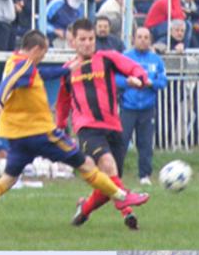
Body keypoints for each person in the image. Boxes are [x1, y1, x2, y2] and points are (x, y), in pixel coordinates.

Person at [0, 29, 148, 231]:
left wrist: (66, 70)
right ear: (36, 49)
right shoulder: (24, 65)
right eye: (43, 54)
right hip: (41, 132)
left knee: (7, 179)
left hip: (17, 137)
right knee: (85, 164)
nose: (42, 58)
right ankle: (123, 197)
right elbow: (9, 81)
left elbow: (39, 75)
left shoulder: (14, 61)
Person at [57, 18, 151, 230]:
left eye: (91, 39)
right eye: (83, 39)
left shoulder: (107, 58)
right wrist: (60, 125)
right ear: (73, 42)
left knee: (109, 180)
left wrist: (139, 78)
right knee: (107, 165)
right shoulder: (67, 70)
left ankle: (85, 209)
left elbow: (132, 67)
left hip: (113, 127)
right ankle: (127, 205)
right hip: (87, 128)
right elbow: (63, 101)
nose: (88, 43)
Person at [118, 26, 167, 185]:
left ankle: (144, 175)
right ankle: (116, 175)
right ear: (133, 39)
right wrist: (128, 83)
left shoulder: (156, 60)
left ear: (150, 40)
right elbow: (116, 79)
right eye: (139, 37)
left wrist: (150, 83)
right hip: (128, 107)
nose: (143, 40)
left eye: (146, 37)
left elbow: (163, 81)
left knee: (145, 143)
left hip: (147, 108)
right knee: (121, 142)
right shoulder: (125, 57)